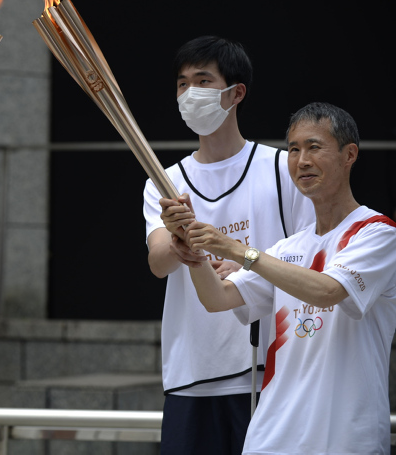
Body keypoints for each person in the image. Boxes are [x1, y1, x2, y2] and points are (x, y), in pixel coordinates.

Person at [165, 102, 396, 454]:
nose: (302, 161)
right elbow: (218, 299)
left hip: (344, 438)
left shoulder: (377, 234)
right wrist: (193, 251)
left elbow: (328, 291)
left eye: (314, 147)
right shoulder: (287, 248)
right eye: (293, 149)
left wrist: (237, 250)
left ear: (349, 154)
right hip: (271, 439)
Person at [142, 36, 313, 454]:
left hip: (268, 369)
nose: (190, 93)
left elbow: (311, 259)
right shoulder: (165, 182)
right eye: (182, 84)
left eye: (203, 81)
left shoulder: (281, 169)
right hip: (192, 372)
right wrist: (179, 243)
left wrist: (246, 264)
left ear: (236, 93)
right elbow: (158, 262)